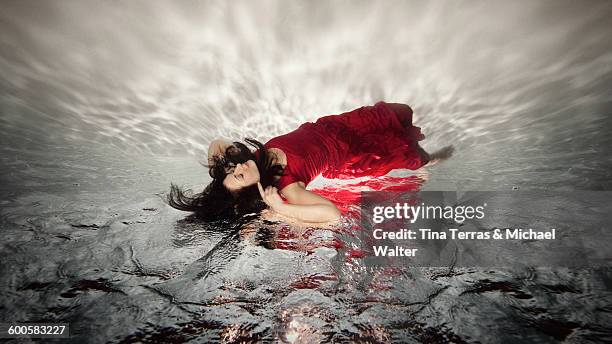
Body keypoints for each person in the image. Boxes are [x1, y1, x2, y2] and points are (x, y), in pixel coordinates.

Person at [167, 101, 454, 223]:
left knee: (400, 112)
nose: (239, 167)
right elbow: (332, 215)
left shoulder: (251, 160)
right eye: (239, 176)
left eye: (233, 168)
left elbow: (217, 144)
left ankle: (418, 146)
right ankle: (429, 163)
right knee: (409, 153)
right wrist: (278, 206)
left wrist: (219, 171)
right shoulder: (287, 187)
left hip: (334, 126)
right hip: (352, 155)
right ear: (249, 190)